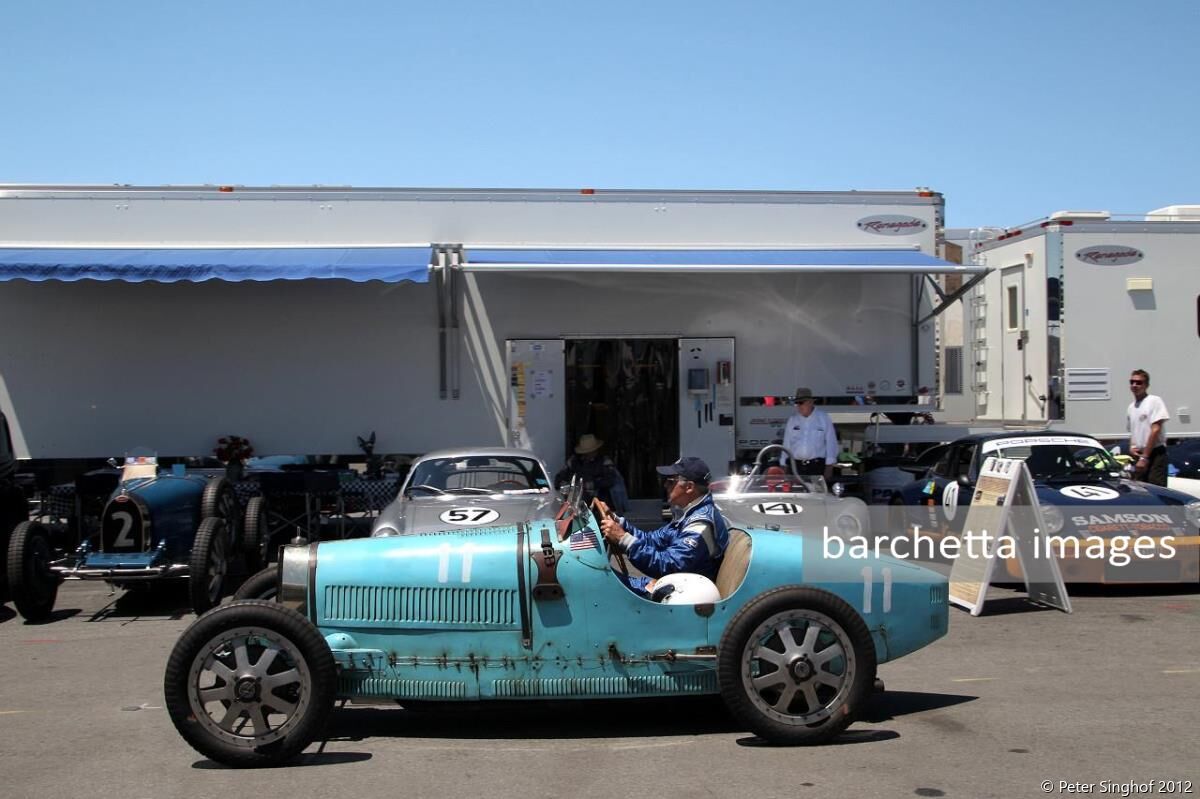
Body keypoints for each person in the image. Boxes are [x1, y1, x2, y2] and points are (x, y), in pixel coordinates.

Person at [598, 456, 728, 598]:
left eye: (671, 481)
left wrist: (623, 539)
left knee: (604, 585)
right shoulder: (690, 513)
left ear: (689, 487)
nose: (665, 485)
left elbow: (669, 565)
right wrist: (618, 522)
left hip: (682, 594)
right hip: (675, 585)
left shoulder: (700, 524)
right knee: (601, 576)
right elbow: (653, 539)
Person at [554, 434, 629, 514]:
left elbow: (611, 479)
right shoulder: (573, 462)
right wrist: (568, 486)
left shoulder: (604, 461)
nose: (590, 454)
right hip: (578, 504)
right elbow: (559, 479)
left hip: (600, 502)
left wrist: (593, 484)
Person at [780, 387, 839, 482]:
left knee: (817, 494)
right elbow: (786, 444)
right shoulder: (792, 420)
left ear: (810, 402)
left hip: (816, 466)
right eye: (797, 403)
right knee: (797, 494)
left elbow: (831, 442)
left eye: (801, 403)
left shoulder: (823, 418)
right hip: (796, 466)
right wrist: (783, 464)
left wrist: (829, 467)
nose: (798, 406)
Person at [1126, 369, 1169, 486]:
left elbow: (1156, 429)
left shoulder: (1154, 401)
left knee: (1156, 489)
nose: (1135, 385)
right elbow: (1132, 432)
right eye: (1132, 382)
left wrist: (1145, 457)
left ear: (1146, 385)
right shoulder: (1131, 407)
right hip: (1139, 454)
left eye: (1139, 383)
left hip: (1154, 454)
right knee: (1140, 489)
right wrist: (1132, 447)